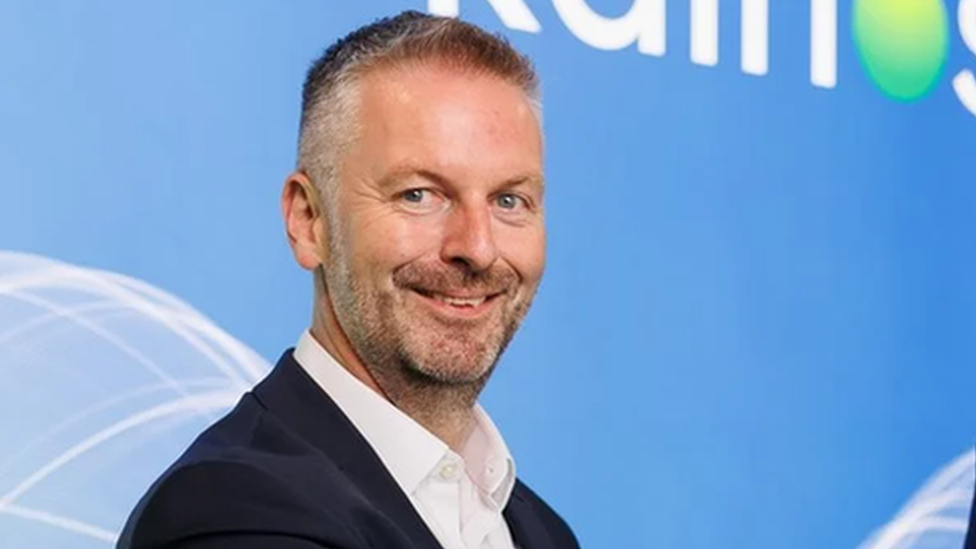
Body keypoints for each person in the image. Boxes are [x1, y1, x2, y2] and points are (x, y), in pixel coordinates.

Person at [117, 10, 580, 549]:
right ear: (308, 221)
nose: (476, 247)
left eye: (509, 200)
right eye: (418, 195)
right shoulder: (231, 511)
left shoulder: (540, 531)